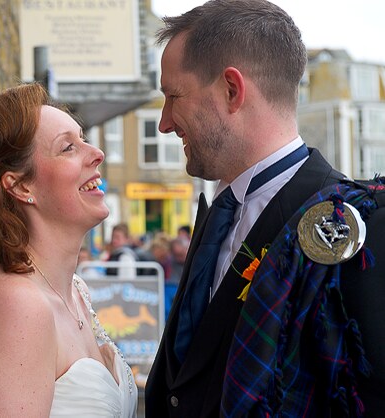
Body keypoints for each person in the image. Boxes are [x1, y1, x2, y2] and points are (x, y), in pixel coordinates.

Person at [144, 1, 385, 417]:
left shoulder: (355, 226)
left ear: (232, 90)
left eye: (173, 96)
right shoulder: (219, 213)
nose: (165, 122)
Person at [0, 83, 137, 417]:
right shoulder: (16, 307)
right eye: (67, 148)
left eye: (83, 138)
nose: (96, 153)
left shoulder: (76, 291)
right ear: (20, 186)